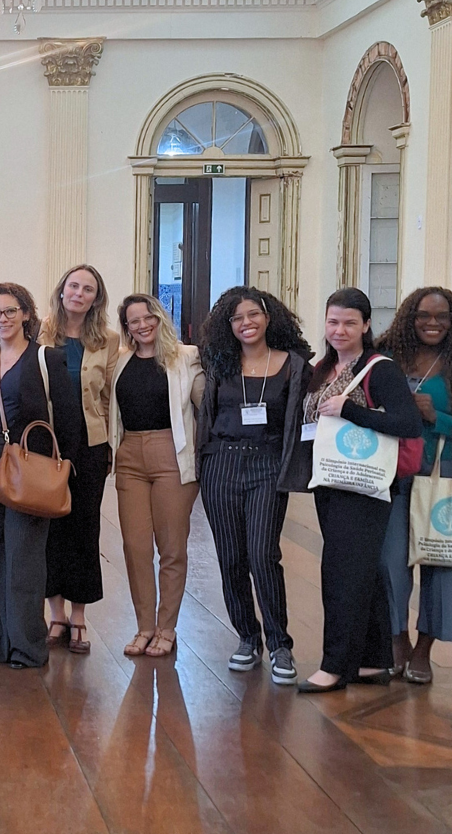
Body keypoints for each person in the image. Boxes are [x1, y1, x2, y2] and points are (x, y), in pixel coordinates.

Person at [298, 288, 422, 693]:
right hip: (330, 480)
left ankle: (336, 665)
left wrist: (349, 409)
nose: (339, 330)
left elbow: (408, 423)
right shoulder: (322, 368)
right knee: (358, 573)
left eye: (350, 322)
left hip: (365, 485)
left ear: (366, 325)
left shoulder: (380, 369)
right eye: (333, 321)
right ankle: (372, 660)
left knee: (341, 574)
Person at [196, 287, 313, 685]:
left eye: (253, 315)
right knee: (231, 557)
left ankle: (280, 644)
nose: (246, 323)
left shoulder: (294, 365)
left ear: (268, 317)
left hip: (267, 465)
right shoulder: (219, 364)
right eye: (237, 318)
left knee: (263, 555)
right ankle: (248, 637)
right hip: (222, 463)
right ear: (228, 326)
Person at [376, 287, 452, 684]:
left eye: (442, 317)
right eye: (424, 315)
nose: (433, 323)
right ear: (410, 316)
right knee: (389, 563)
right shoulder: (388, 356)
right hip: (393, 475)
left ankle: (424, 648)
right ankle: (396, 638)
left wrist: (435, 415)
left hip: (444, 477)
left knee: (442, 564)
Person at [0, 282, 84, 669]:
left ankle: (29, 647)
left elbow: (67, 416)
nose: (1, 319)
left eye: (9, 311)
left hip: (29, 462)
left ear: (25, 314)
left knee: (25, 556)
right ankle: (3, 644)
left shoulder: (45, 358)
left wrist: (66, 469)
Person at [111, 294, 204, 661]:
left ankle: (166, 628)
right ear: (127, 327)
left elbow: (205, 402)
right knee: (135, 547)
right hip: (130, 456)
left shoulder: (186, 356)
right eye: (134, 320)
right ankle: (144, 627)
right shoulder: (119, 361)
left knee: (171, 547)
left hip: (172, 455)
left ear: (161, 318)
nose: (142, 324)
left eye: (148, 317)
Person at [38, 265, 121, 655]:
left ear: (96, 298)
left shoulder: (108, 339)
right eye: (74, 285)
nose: (79, 293)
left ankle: (79, 616)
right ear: (62, 289)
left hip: (89, 444)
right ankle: (55, 614)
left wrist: (109, 448)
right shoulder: (38, 332)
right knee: (50, 527)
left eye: (88, 289)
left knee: (85, 529)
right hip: (47, 444)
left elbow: (108, 398)